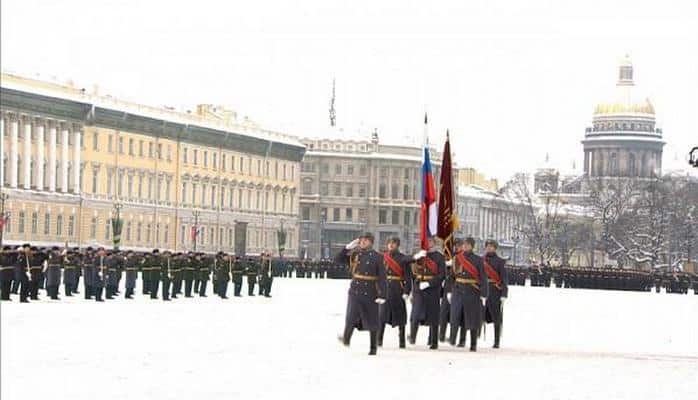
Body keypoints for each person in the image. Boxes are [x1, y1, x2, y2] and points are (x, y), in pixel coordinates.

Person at [335, 232, 387, 356]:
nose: (363, 242)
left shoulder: (377, 257)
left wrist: (382, 294)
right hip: (355, 290)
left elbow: (382, 277)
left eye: (366, 240)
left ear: (371, 242)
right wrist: (347, 248)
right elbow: (337, 259)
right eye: (361, 240)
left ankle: (373, 347)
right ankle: (346, 339)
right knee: (351, 316)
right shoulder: (355, 254)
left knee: (372, 320)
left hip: (370, 291)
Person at [449, 237, 488, 351]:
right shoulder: (457, 258)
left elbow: (483, 277)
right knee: (457, 315)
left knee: (472, 318)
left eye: (467, 245)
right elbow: (452, 276)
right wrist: (450, 291)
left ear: (472, 246)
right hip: (458, 290)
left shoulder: (478, 260)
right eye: (464, 245)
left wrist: (484, 294)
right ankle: (460, 340)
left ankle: (473, 343)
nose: (464, 247)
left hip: (472, 291)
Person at [410, 237, 446, 350]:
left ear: (434, 243)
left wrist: (429, 283)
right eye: (426, 241)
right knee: (415, 314)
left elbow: (441, 275)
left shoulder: (439, 257)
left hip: (432, 289)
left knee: (433, 316)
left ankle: (433, 341)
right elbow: (412, 272)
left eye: (430, 241)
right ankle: (412, 338)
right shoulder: (419, 255)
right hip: (419, 288)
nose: (428, 243)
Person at [376, 237, 412, 349]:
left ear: (398, 245)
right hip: (385, 289)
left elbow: (408, 276)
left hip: (397, 288)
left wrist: (406, 291)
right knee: (382, 315)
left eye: (393, 243)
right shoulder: (382, 257)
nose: (391, 245)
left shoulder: (403, 258)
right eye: (389, 243)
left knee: (400, 316)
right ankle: (379, 340)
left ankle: (402, 341)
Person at [483, 240, 508, 348]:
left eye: (491, 247)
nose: (489, 248)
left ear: (495, 248)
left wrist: (504, 294)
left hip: (494, 291)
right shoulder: (480, 260)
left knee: (496, 317)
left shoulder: (500, 261)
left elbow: (504, 280)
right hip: (482, 291)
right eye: (487, 246)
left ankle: (496, 340)